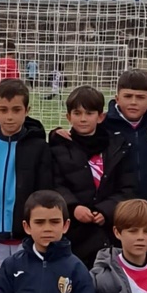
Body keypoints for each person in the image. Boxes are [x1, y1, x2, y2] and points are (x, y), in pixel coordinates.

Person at [49, 85, 136, 269]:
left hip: (109, 234)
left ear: (100, 117)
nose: (83, 119)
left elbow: (127, 188)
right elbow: (55, 184)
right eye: (77, 113)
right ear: (68, 117)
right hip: (73, 234)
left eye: (89, 113)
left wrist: (106, 211)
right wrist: (73, 207)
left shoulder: (118, 147)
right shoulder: (58, 147)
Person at [0, 79, 52, 269]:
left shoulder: (39, 148)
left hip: (26, 236)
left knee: (27, 282)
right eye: (3, 110)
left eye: (16, 110)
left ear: (27, 110)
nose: (9, 117)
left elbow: (45, 191)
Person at [103, 69, 147, 205]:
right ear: (117, 98)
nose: (133, 102)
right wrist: (56, 133)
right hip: (113, 204)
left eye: (140, 97)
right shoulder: (103, 125)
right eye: (128, 96)